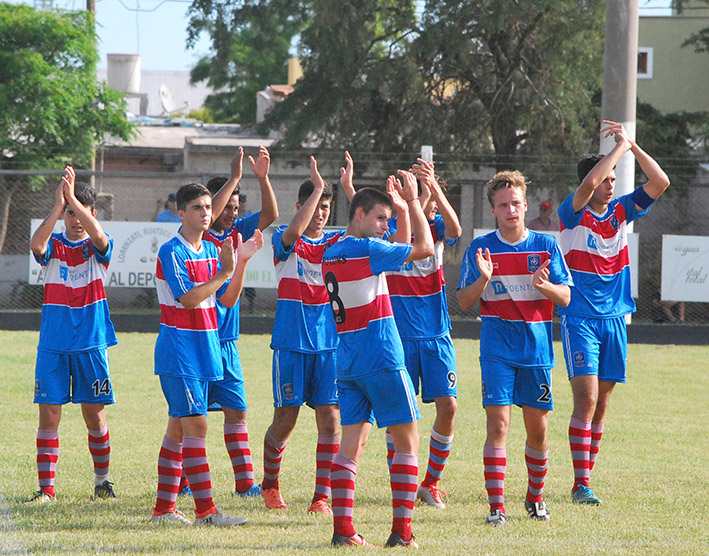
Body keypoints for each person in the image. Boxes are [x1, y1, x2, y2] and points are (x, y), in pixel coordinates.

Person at [558, 120, 670, 505]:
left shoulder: (621, 212)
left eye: (614, 180)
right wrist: (618, 150)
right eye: (609, 178)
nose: (611, 184)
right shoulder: (572, 213)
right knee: (586, 401)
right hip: (580, 318)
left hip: (615, 318)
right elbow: (588, 186)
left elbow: (660, 183)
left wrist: (633, 146)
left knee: (602, 402)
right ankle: (579, 483)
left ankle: (586, 476)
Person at [322, 171, 434, 548]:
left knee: (350, 446)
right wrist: (414, 203)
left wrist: (398, 209)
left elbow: (395, 252)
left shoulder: (333, 250)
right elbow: (425, 250)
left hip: (348, 361)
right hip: (382, 355)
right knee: (407, 440)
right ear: (358, 215)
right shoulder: (365, 250)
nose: (386, 226)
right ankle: (402, 534)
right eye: (381, 218)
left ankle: (343, 531)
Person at [457, 170, 572, 526]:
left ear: (526, 205)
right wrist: (484, 279)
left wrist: (546, 287)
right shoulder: (481, 249)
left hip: (536, 350)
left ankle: (535, 499)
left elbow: (566, 297)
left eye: (516, 203)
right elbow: (463, 300)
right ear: (493, 209)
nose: (511, 210)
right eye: (503, 205)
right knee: (499, 425)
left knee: (538, 429)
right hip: (496, 347)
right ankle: (496, 507)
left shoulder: (546, 246)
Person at [150, 182, 263, 526]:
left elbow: (226, 301)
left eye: (207, 208)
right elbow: (187, 299)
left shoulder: (212, 252)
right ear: (180, 213)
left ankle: (163, 511)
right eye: (198, 208)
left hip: (205, 347)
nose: (205, 213)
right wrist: (224, 273)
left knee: (178, 430)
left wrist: (239, 263)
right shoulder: (172, 251)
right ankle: (206, 512)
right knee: (196, 426)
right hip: (180, 350)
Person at [181, 145, 277, 500]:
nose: (230, 214)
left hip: (227, 341)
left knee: (236, 411)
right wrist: (235, 176)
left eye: (237, 208)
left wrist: (262, 178)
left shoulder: (238, 231)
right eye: (227, 206)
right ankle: (183, 482)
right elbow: (210, 212)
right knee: (189, 416)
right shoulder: (200, 235)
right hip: (198, 338)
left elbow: (271, 213)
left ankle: (244, 483)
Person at [28, 167, 118, 502]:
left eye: (81, 212)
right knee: (49, 413)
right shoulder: (53, 245)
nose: (75, 219)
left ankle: (102, 481)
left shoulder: (99, 246)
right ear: (64, 213)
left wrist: (74, 201)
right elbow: (36, 244)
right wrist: (57, 206)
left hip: (91, 343)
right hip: (53, 344)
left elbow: (100, 238)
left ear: (92, 213)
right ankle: (46, 490)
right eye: (69, 212)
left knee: (94, 414)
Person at [261, 157, 343, 513]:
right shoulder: (284, 238)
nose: (321, 213)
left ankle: (321, 496)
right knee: (286, 419)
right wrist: (319, 188)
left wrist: (345, 187)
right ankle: (270, 484)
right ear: (301, 206)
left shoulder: (337, 243)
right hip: (292, 343)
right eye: (315, 205)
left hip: (329, 345)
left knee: (330, 418)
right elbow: (293, 232)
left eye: (326, 207)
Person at [382, 159, 462, 510]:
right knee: (400, 414)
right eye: (416, 192)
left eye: (427, 193)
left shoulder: (438, 228)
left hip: (435, 335)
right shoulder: (392, 233)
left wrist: (435, 190)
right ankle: (401, 482)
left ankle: (430, 483)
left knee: (449, 406)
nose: (424, 200)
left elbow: (458, 230)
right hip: (399, 338)